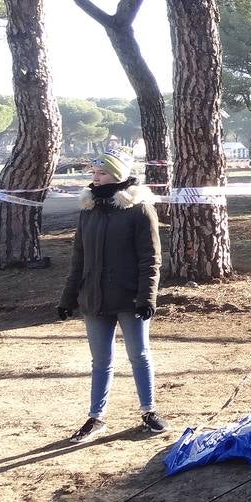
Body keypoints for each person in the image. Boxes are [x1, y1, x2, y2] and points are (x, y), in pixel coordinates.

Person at [57, 146, 167, 443]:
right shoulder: (88, 209)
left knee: (139, 355)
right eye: (93, 172)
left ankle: (149, 411)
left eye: (102, 172)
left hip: (130, 298)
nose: (96, 177)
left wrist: (147, 298)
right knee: (100, 361)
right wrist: (68, 297)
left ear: (117, 174)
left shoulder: (139, 209)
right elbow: (78, 258)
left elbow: (150, 258)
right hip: (93, 299)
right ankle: (96, 417)